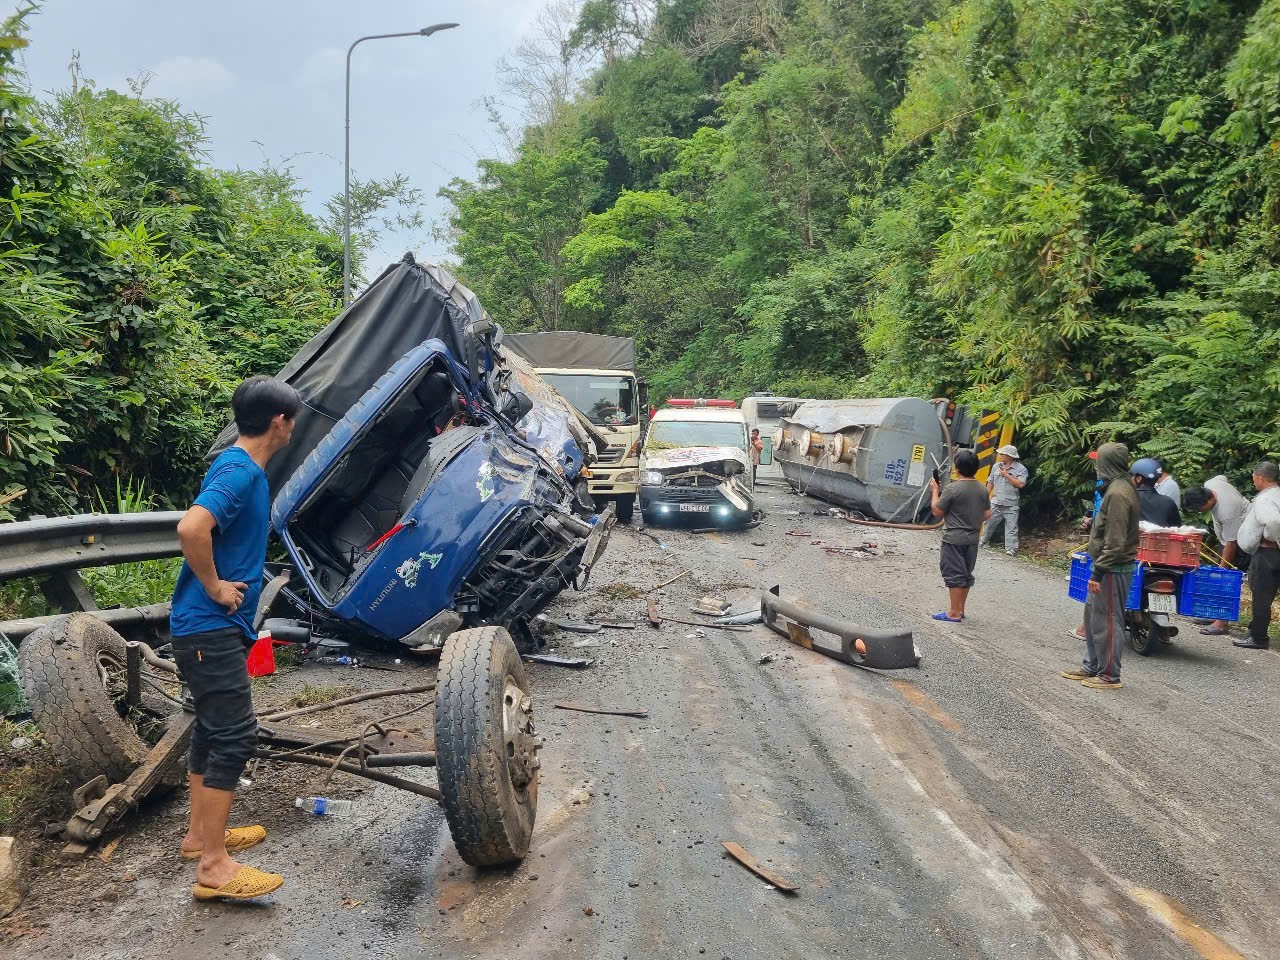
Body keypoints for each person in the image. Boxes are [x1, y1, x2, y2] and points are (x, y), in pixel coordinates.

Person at [171, 376, 299, 901]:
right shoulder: (238, 471)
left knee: (211, 729)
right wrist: (214, 586)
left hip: (209, 628)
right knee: (234, 736)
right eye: (293, 421)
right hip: (209, 626)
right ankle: (215, 868)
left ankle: (202, 836)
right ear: (280, 423)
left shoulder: (242, 467)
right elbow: (190, 527)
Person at [1062, 441, 1138, 690]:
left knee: (1107, 620)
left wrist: (1099, 570)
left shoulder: (1118, 493)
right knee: (1093, 617)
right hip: (1105, 564)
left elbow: (1116, 541)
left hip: (1112, 568)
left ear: (1107, 463)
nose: (1095, 466)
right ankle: (1092, 666)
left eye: (1098, 461)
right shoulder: (1115, 487)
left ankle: (1109, 675)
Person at [929, 449, 991, 623]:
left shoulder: (952, 489)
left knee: (954, 574)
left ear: (957, 469)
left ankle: (954, 613)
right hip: (972, 539)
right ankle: (960, 609)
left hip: (954, 538)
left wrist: (935, 490)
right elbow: (987, 514)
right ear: (976, 469)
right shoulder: (982, 489)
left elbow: (937, 511)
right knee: (965, 574)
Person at [1183, 475, 1249, 635]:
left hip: (1241, 541)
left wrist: (1222, 569)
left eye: (1199, 509)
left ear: (1208, 502)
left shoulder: (1227, 512)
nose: (1199, 512)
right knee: (1221, 577)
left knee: (1226, 580)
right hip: (1226, 539)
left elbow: (1231, 544)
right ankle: (1215, 614)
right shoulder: (1211, 483)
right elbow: (1223, 477)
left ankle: (1222, 622)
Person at [1234, 461, 1280, 650]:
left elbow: (1273, 521)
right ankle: (1255, 630)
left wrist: (1276, 539)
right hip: (1273, 551)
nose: (1253, 481)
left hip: (1268, 551)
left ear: (1260, 477)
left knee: (1262, 595)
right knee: (1265, 594)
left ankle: (1259, 637)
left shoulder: (1265, 499)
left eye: (1254, 477)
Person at [980, 444, 1028, 555]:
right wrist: (985, 497)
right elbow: (990, 482)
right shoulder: (996, 466)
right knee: (988, 523)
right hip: (996, 501)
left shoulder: (1021, 469)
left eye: (1002, 454)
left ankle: (1011, 549)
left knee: (1011, 527)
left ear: (1010, 456)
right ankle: (982, 541)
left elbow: (1020, 484)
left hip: (1011, 504)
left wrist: (1006, 475)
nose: (1000, 455)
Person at [1130, 458, 1181, 527]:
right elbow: (1176, 530)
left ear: (1139, 479)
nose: (1131, 478)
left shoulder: (1127, 499)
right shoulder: (1168, 502)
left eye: (1132, 475)